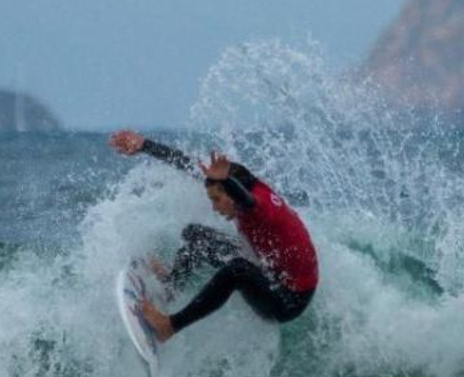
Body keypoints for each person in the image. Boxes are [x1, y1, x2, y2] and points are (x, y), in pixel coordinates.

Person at [108, 129, 317, 341]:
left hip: (288, 300)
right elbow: (185, 163)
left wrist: (227, 182)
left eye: (216, 200)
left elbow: (245, 199)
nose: (214, 208)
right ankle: (171, 286)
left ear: (232, 193)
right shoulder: (245, 184)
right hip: (270, 271)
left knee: (238, 269)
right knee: (195, 234)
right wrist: (144, 145)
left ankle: (169, 326)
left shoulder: (258, 207)